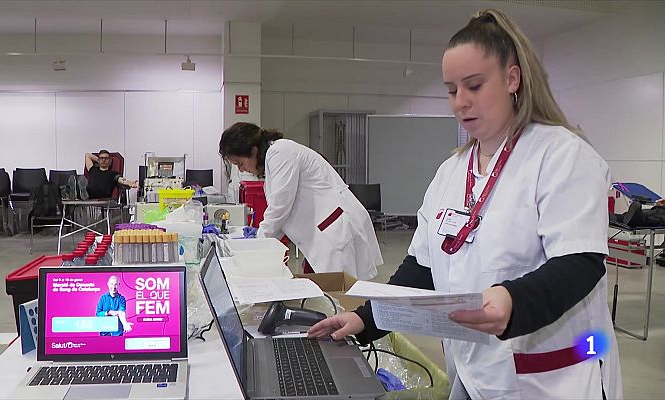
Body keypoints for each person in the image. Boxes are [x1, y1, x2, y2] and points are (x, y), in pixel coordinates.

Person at [308, 9, 622, 400]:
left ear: (512, 78)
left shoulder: (561, 156)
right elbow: (421, 269)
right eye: (452, 90)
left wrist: (513, 299)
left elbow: (580, 263)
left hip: (550, 378)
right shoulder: (451, 172)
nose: (461, 102)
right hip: (474, 374)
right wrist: (363, 319)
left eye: (474, 86)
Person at [219, 122, 383, 280]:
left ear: (253, 151)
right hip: (322, 232)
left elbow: (280, 207)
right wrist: (262, 238)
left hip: (335, 229)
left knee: (340, 294)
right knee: (322, 288)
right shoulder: (274, 158)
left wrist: (258, 243)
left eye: (240, 163)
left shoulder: (280, 152)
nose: (240, 169)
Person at [73, 149, 137, 200]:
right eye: (101, 158)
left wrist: (128, 183)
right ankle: (75, 191)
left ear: (110, 161)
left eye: (106, 158)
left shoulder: (113, 173)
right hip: (89, 194)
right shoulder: (93, 169)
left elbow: (120, 179)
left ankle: (77, 192)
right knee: (77, 188)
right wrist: (99, 160)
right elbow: (87, 155)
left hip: (103, 196)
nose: (103, 160)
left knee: (81, 191)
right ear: (98, 160)